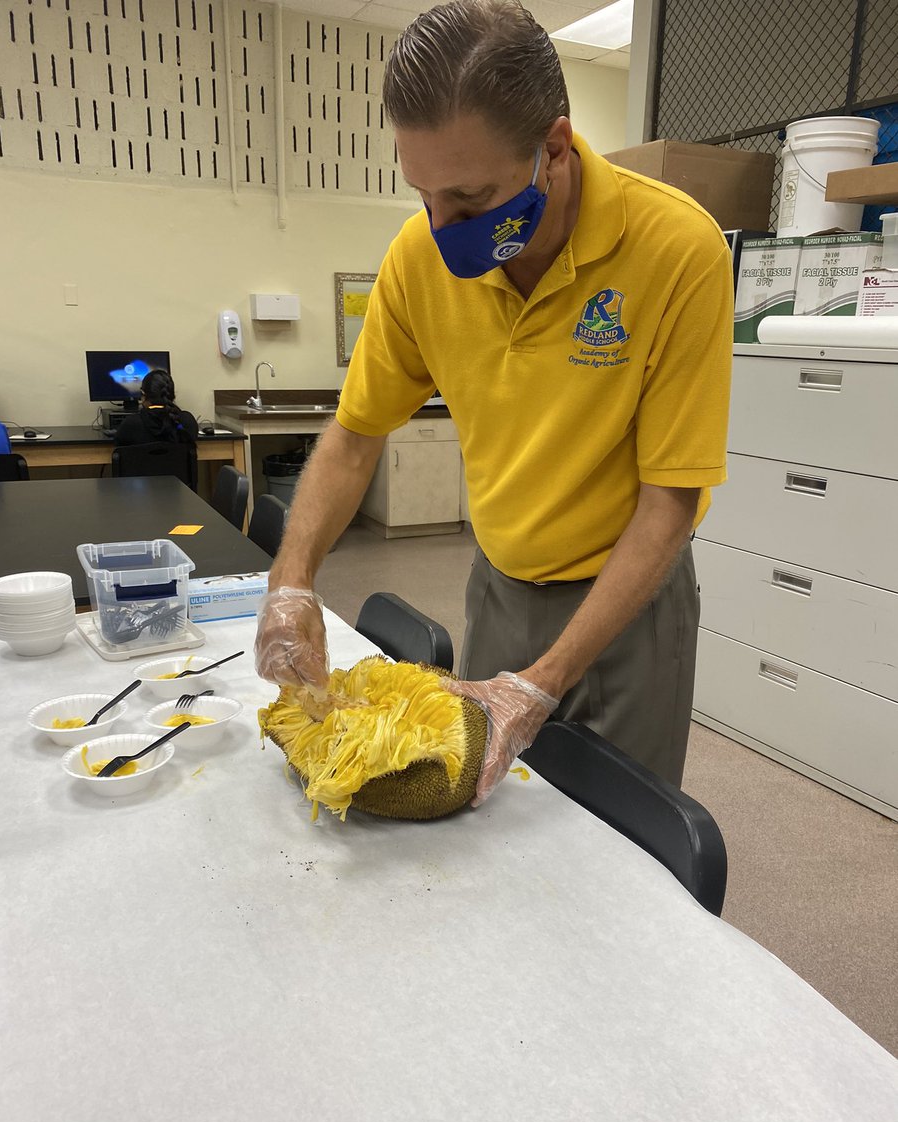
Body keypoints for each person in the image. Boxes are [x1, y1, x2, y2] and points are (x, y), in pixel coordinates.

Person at [255, 0, 733, 804]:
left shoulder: (677, 251)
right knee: (490, 823)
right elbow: (353, 436)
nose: (442, 229)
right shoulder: (418, 259)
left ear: (553, 147)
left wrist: (543, 682)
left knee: (620, 849)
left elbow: (669, 501)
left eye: (471, 202)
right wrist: (292, 580)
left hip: (627, 604)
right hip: (502, 584)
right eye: (424, 196)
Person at [113, 368, 198, 445]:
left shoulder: (130, 424)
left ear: (143, 394)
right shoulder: (188, 421)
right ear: (171, 394)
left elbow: (119, 448)